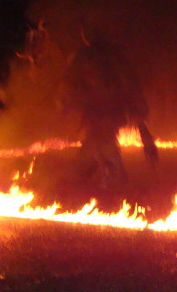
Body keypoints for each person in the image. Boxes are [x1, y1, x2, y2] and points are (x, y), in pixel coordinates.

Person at [64, 36, 158, 189]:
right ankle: (97, 181)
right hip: (98, 119)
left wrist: (145, 135)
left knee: (105, 157)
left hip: (107, 118)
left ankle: (115, 184)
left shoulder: (114, 67)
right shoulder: (90, 63)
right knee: (87, 161)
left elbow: (131, 94)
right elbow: (76, 91)